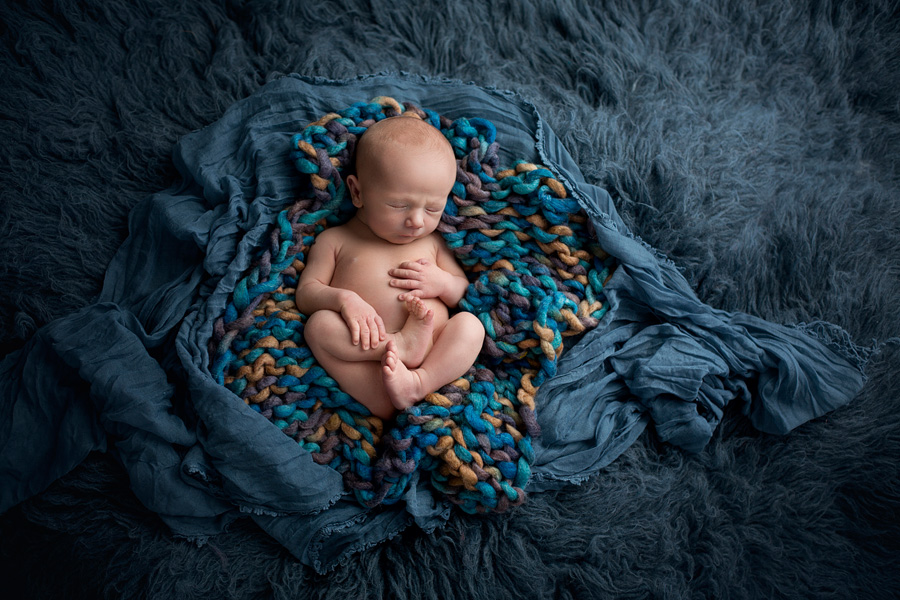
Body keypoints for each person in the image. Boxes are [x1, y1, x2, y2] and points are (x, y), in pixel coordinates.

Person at [295, 115, 485, 420]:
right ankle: (395, 361)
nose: (417, 221)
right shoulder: (336, 240)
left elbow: (463, 292)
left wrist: (442, 283)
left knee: (471, 326)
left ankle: (419, 382)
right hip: (367, 358)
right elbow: (306, 293)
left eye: (433, 208)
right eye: (399, 205)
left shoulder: (433, 242)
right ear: (358, 192)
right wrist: (344, 300)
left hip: (433, 353)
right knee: (318, 326)